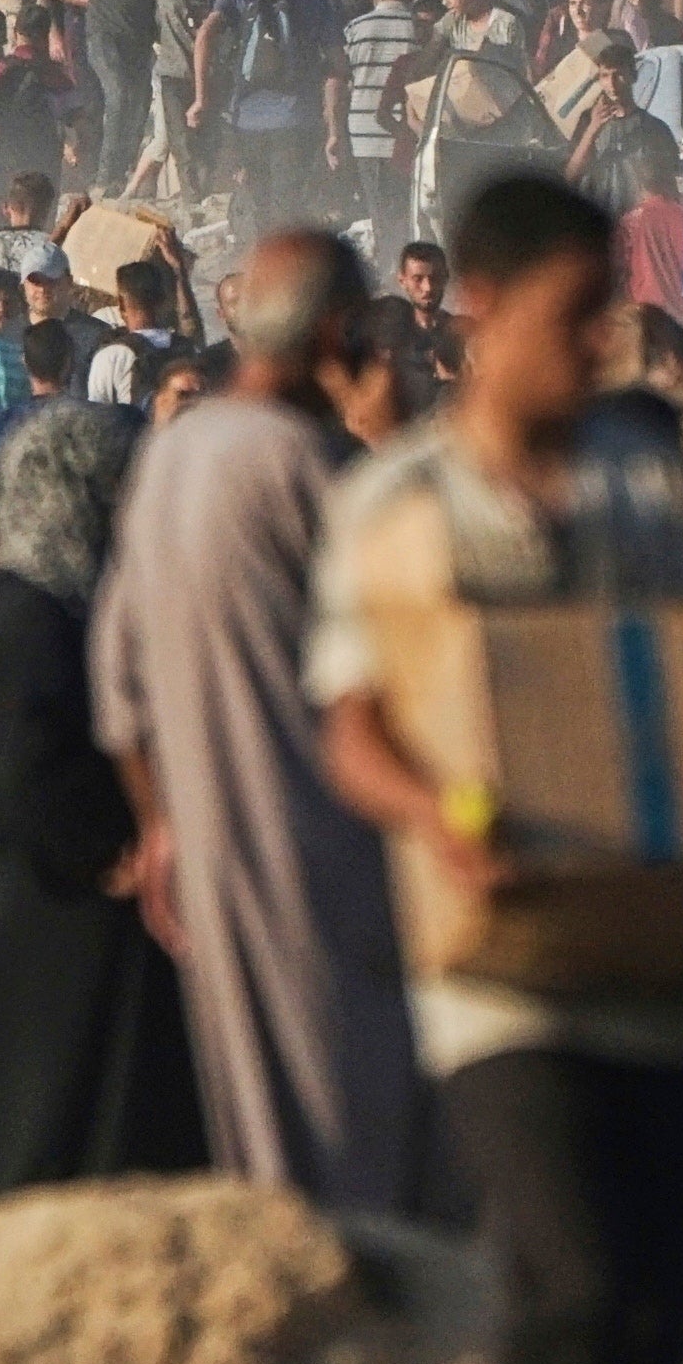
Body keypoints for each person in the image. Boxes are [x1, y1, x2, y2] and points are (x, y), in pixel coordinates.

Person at [312, 170, 683, 1364]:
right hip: (505, 975)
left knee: (662, 1313)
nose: (602, 341)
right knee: (576, 1287)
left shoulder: (650, 486)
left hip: (672, 959)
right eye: (574, 312)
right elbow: (351, 728)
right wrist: (435, 817)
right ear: (480, 307)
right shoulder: (400, 507)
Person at [96, 232, 432, 1217]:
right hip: (330, 848)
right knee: (359, 1125)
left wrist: (161, 826)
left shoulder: (169, 461)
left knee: (262, 1133)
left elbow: (119, 686)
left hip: (209, 850)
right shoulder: (319, 469)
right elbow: (416, 644)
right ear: (340, 334)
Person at [0, 401, 205, 1197]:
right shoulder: (30, 614)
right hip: (49, 924)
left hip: (38, 915)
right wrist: (112, 853)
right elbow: (32, 761)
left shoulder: (35, 605)